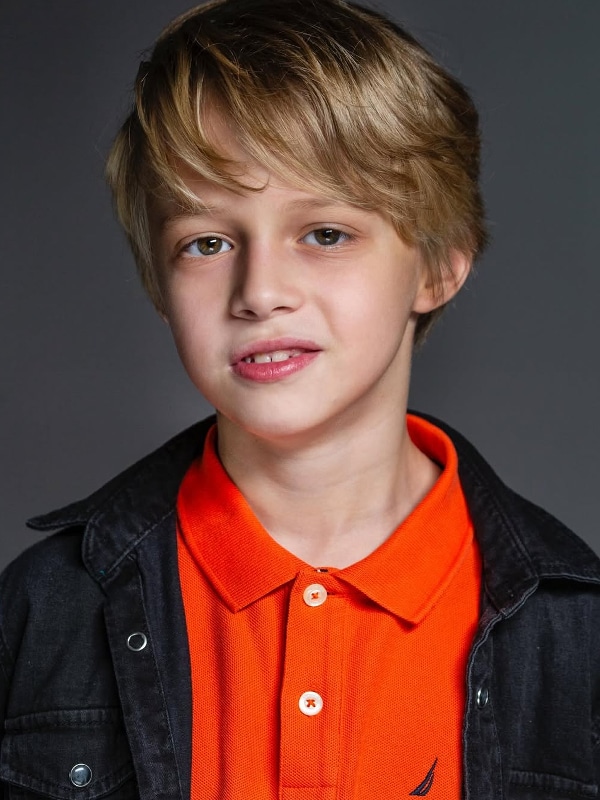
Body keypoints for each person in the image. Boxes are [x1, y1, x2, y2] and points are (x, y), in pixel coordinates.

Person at [1, 0, 598, 797]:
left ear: (438, 266)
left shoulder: (576, 632)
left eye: (324, 233)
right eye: (207, 243)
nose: (260, 291)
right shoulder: (43, 609)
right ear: (159, 285)